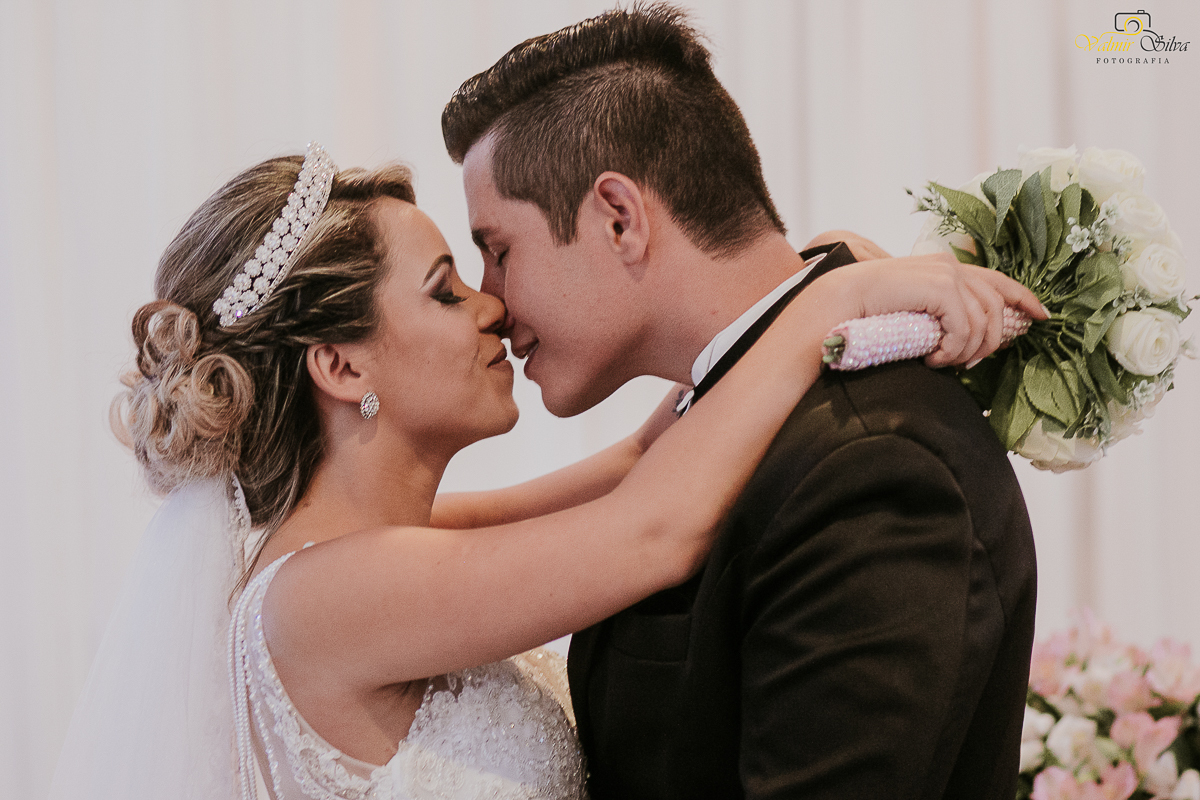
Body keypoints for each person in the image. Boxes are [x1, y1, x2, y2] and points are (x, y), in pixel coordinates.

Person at [46, 138, 1039, 800]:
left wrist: (807, 276)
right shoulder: (322, 598)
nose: (492, 307)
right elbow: (653, 530)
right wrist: (828, 305)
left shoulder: (376, 550)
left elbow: (642, 463)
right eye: (445, 291)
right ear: (341, 368)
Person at [440, 5, 1041, 799]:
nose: (489, 301)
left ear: (619, 219)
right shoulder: (723, 418)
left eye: (498, 250)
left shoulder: (871, 465)